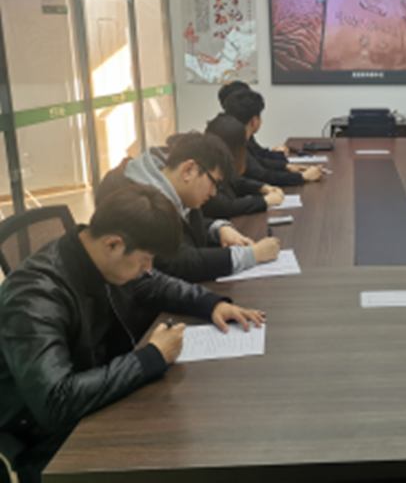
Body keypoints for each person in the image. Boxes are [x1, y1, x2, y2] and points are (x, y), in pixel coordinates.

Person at [0, 185, 266, 483]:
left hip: (100, 393)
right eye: (145, 259)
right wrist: (151, 357)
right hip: (49, 440)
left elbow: (154, 283)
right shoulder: (34, 296)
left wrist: (211, 303)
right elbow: (55, 402)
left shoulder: (99, 259)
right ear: (113, 244)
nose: (148, 268)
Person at [96, 132, 280, 284]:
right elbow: (179, 262)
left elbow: (187, 226)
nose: (214, 193)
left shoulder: (170, 185)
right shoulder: (139, 201)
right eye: (213, 182)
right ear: (188, 170)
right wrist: (252, 255)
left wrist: (218, 228)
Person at [223, 90, 323, 187]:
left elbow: (260, 161)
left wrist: (286, 167)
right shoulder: (236, 145)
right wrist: (302, 177)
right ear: (254, 121)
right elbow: (262, 176)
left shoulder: (237, 138)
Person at [202, 113, 286, 220]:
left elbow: (237, 182)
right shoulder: (205, 171)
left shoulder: (219, 164)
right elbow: (226, 207)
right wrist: (264, 201)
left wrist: (263, 188)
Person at [218, 81, 290, 157]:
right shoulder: (233, 136)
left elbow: (257, 153)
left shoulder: (242, 127)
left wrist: (276, 153)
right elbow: (255, 162)